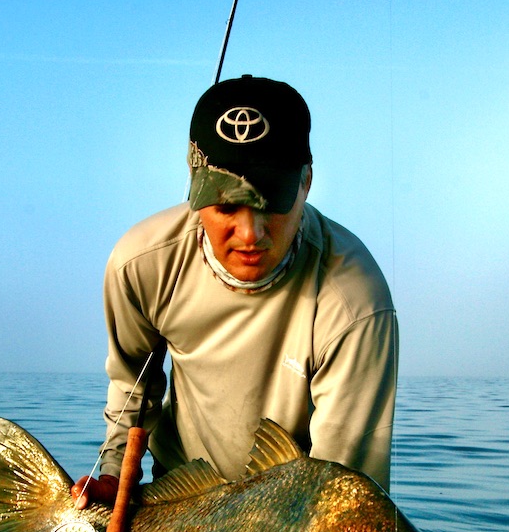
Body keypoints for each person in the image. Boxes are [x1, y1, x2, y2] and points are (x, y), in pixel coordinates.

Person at [74, 75, 397, 509]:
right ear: (193, 182)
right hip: (173, 501)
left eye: (271, 201)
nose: (250, 234)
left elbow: (341, 503)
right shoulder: (141, 264)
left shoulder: (356, 302)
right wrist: (113, 473)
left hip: (290, 516)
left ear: (306, 182)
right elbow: (134, 380)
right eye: (226, 204)